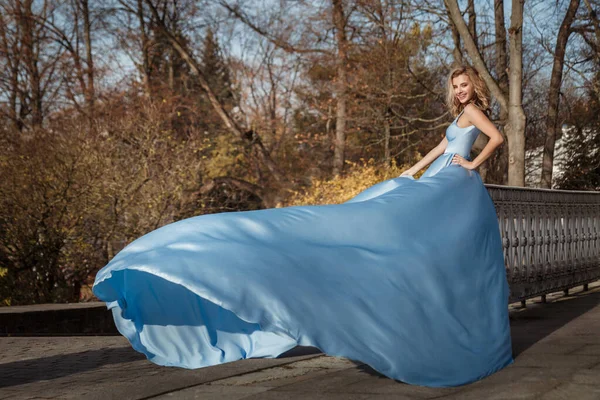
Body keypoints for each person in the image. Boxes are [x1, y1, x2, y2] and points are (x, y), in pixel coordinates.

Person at [93, 64, 514, 388]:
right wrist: (410, 171)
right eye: (455, 86)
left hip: (457, 184)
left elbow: (496, 138)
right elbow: (441, 145)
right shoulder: (460, 115)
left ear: (474, 86)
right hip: (439, 177)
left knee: (421, 237)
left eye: (464, 85)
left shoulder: (476, 112)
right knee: (394, 222)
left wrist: (471, 165)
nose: (460, 91)